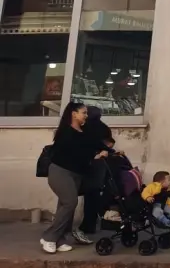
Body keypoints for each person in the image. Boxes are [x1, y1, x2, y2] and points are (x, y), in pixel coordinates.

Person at [41, 102, 109, 254]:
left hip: (76, 174)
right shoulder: (66, 133)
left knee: (65, 206)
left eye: (86, 113)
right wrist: (95, 156)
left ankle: (60, 239)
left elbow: (95, 144)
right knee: (70, 202)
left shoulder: (83, 131)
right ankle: (49, 237)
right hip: (60, 172)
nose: (86, 115)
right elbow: (75, 154)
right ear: (74, 114)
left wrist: (109, 151)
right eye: (83, 112)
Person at [76, 107, 114, 243]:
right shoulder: (104, 128)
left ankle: (86, 225)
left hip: (89, 164)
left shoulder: (84, 127)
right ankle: (92, 223)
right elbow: (110, 143)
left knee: (86, 194)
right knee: (95, 194)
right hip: (101, 165)